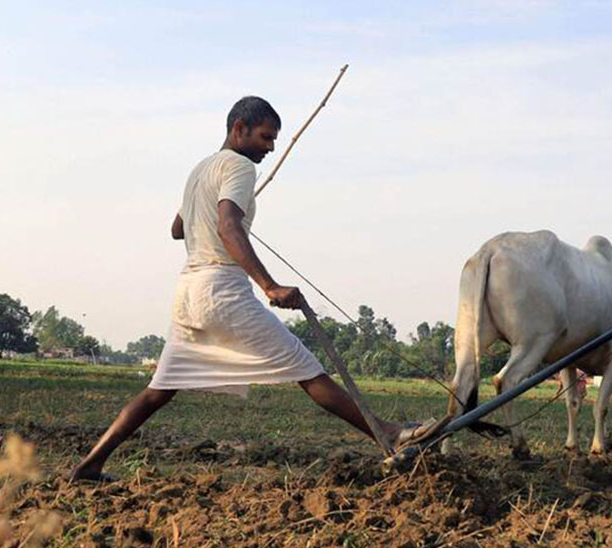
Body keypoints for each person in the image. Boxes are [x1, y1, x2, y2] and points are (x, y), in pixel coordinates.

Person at [69, 96, 409, 481]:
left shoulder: (201, 169)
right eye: (265, 137)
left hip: (188, 292)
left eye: (275, 140)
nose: (270, 147)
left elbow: (178, 229)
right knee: (308, 371)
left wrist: (228, 206)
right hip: (222, 290)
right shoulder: (240, 166)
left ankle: (89, 465)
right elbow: (227, 226)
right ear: (239, 129)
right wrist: (269, 285)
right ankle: (387, 433)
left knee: (158, 391)